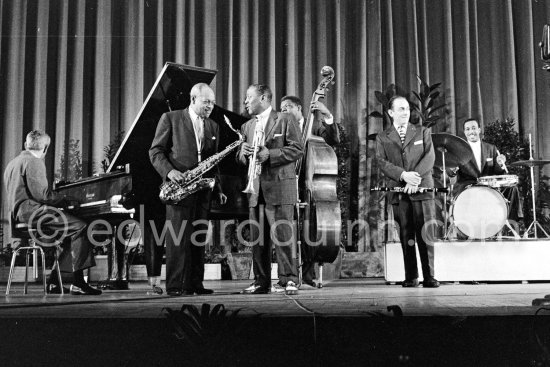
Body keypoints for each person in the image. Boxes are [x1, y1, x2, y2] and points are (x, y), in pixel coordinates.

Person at [149, 83, 227, 297]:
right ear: (193, 99)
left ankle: (195, 284)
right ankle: (175, 286)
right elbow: (155, 152)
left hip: (203, 189)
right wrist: (170, 173)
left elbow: (213, 162)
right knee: (178, 238)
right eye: (206, 102)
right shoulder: (170, 118)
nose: (210, 106)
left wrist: (217, 187)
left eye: (212, 102)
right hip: (179, 186)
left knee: (198, 237)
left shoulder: (213, 126)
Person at [3, 130, 102, 295]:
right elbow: (42, 195)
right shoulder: (34, 162)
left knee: (70, 235)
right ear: (46, 148)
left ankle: (55, 283)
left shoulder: (13, 163)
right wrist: (66, 200)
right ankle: (78, 283)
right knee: (81, 227)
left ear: (26, 145)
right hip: (34, 213)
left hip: (20, 215)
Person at [238, 84, 303, 295]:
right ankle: (261, 281)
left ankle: (289, 279)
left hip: (280, 187)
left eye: (249, 97)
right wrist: (243, 152)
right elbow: (240, 157)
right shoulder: (247, 126)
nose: (245, 101)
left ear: (264, 98)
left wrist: (271, 155)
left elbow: (297, 149)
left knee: (283, 236)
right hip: (256, 190)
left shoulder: (285, 119)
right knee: (258, 239)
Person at [375, 96, 439, 288]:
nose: (406, 112)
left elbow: (430, 157)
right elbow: (382, 162)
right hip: (400, 191)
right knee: (406, 235)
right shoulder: (382, 137)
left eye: (408, 109)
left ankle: (430, 276)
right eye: (401, 109)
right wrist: (403, 175)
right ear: (391, 113)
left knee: (425, 233)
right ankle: (411, 276)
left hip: (421, 190)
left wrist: (415, 178)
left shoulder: (423, 131)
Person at [280, 96, 339, 288]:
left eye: (288, 107)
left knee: (311, 229)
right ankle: (288, 275)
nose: (284, 111)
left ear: (298, 108)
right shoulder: (281, 128)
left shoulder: (314, 127)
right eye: (281, 108)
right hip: (288, 185)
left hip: (312, 189)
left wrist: (327, 114)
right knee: (288, 231)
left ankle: (307, 273)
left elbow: (333, 139)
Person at [452, 118, 523, 222]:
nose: (471, 131)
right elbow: (450, 172)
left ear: (479, 130)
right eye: (468, 129)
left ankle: (510, 223)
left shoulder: (491, 148)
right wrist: (452, 169)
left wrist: (500, 164)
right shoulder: (459, 150)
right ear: (465, 132)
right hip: (467, 185)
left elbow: (499, 172)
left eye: (473, 128)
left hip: (489, 185)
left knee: (512, 189)